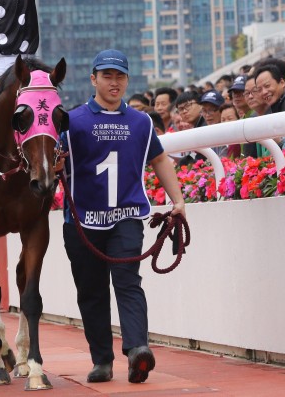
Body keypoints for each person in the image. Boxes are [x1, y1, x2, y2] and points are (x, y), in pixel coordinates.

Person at [60, 49, 186, 385]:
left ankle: (137, 349)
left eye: (120, 76)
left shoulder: (141, 122)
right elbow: (52, 159)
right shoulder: (71, 122)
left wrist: (178, 200)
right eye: (107, 76)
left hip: (127, 217)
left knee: (128, 281)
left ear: (128, 80)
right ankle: (102, 360)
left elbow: (159, 159)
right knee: (92, 291)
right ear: (93, 79)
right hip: (82, 222)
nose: (114, 82)